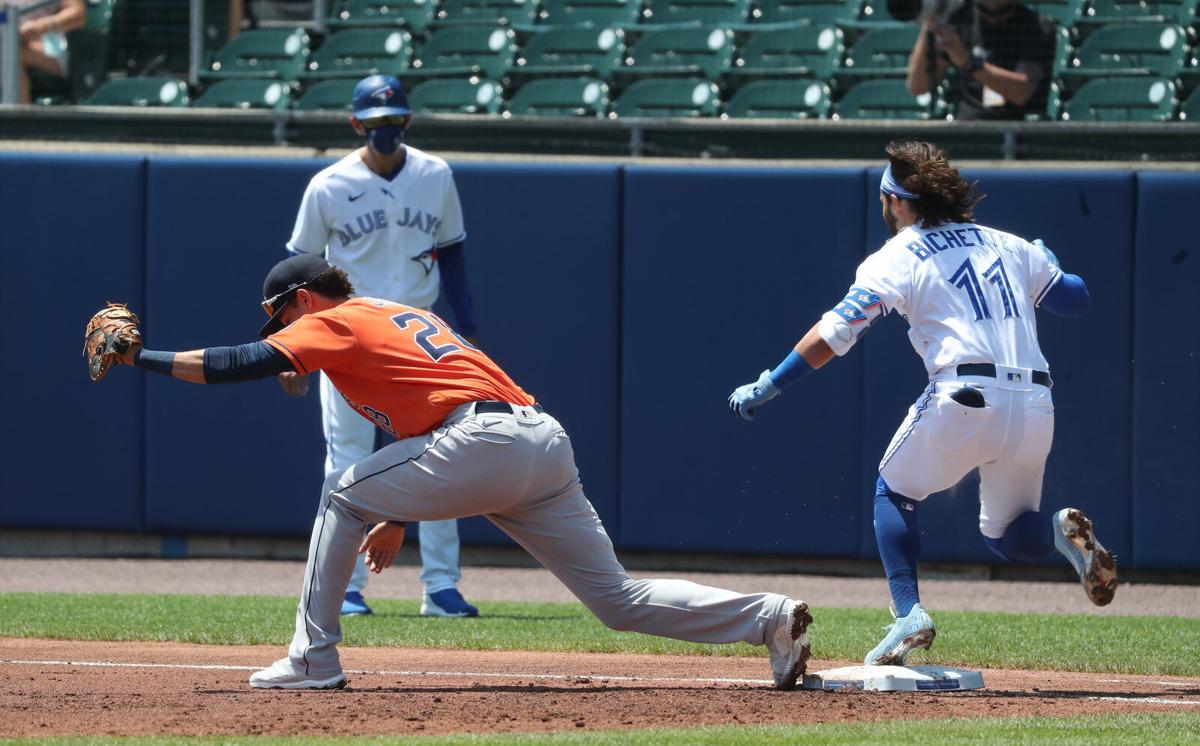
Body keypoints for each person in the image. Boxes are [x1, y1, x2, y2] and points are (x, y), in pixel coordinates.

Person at [108, 253, 814, 691]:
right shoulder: (393, 312)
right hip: (538, 440)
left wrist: (141, 358)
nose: (284, 335)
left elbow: (241, 364)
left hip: (487, 439)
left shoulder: (335, 318)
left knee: (338, 496)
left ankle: (312, 660)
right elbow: (435, 432)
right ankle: (771, 620)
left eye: (281, 319)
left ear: (303, 299)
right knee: (617, 601)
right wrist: (395, 516)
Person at [728, 140, 1116, 667]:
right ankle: (1055, 531)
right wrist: (1052, 264)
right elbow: (1076, 299)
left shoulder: (898, 253)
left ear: (898, 202)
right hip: (1035, 403)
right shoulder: (1007, 242)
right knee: (1008, 533)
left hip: (963, 393)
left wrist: (771, 382)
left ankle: (909, 614)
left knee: (895, 491)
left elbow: (835, 333)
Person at [282, 74, 479, 618]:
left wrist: (467, 332)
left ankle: (440, 587)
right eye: (374, 123)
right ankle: (342, 586)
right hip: (347, 337)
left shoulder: (435, 175)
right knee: (346, 461)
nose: (384, 131)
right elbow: (298, 273)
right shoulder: (327, 184)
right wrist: (289, 343)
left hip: (421, 340)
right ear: (355, 124)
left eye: (393, 122)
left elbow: (454, 257)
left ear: (407, 122)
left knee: (443, 459)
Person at [906, 0, 1056, 121]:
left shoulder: (1036, 27)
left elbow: (1021, 93)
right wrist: (930, 24)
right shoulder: (962, 20)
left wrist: (968, 62)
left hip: (1017, 132)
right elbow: (918, 87)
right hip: (968, 129)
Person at [12, 0, 85, 104]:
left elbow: (78, 14)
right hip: (11, 41)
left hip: (54, 47)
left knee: (12, 53)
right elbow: (3, 16)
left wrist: (41, 26)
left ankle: (18, 117)